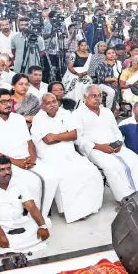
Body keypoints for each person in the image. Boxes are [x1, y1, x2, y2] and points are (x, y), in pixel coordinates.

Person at [0, 88, 58, 213]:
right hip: (5, 162)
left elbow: (29, 142)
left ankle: (42, 213)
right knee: (34, 183)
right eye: (3, 102)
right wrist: (16, 162)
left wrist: (32, 159)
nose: (8, 104)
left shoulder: (19, 118)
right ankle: (35, 216)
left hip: (27, 158)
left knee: (52, 178)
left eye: (9, 101)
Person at [29, 93, 103, 223]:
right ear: (42, 106)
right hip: (50, 155)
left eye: (54, 101)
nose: (52, 105)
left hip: (70, 153)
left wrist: (56, 136)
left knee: (91, 172)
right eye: (48, 103)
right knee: (67, 176)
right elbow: (47, 140)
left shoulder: (66, 114)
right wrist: (64, 135)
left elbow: (74, 135)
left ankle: (89, 206)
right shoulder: (38, 119)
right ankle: (74, 212)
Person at [68, 85, 138, 201]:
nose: (97, 98)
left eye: (99, 95)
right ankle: (125, 199)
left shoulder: (107, 112)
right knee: (113, 167)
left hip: (115, 146)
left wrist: (118, 143)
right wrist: (99, 147)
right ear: (85, 97)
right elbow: (78, 138)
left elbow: (116, 131)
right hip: (94, 149)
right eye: (93, 96)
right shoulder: (77, 114)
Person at [0, 156, 50, 255]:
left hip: (19, 222)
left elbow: (31, 206)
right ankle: (22, 244)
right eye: (2, 170)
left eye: (9, 168)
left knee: (46, 222)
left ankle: (11, 247)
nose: (7, 172)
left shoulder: (18, 182)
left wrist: (42, 226)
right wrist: (2, 236)